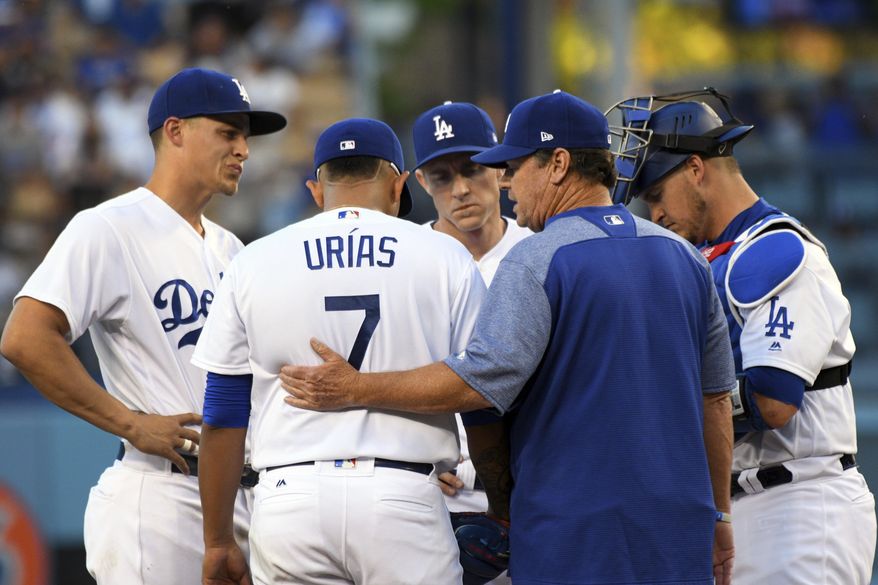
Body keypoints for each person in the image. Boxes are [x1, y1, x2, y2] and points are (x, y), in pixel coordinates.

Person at [279, 90, 738, 585]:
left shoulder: (537, 259)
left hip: (571, 527)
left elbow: (478, 384)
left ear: (558, 163)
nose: (507, 181)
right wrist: (720, 515)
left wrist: (356, 388)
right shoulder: (688, 259)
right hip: (676, 527)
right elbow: (715, 401)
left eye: (516, 167)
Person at [0, 67, 287, 584]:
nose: (244, 149)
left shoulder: (234, 249)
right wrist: (131, 422)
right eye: (228, 132)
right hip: (161, 495)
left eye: (246, 136)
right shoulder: (109, 227)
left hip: (239, 500)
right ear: (174, 131)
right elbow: (25, 337)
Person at [191, 117, 486, 585]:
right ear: (397, 184)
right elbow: (480, 394)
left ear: (316, 190)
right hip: (402, 496)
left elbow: (224, 413)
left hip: (290, 500)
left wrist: (218, 539)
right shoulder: (446, 255)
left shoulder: (253, 260)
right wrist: (501, 499)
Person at [607, 88, 876, 584]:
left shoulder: (776, 251)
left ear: (695, 168)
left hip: (798, 508)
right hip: (733, 511)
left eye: (656, 196)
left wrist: (664, 408)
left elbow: (773, 400)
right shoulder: (708, 257)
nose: (655, 215)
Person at [412, 101, 530, 527]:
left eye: (472, 169)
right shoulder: (404, 258)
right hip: (434, 497)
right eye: (443, 177)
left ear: (499, 170)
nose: (460, 188)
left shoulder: (538, 249)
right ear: (422, 181)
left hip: (529, 488)